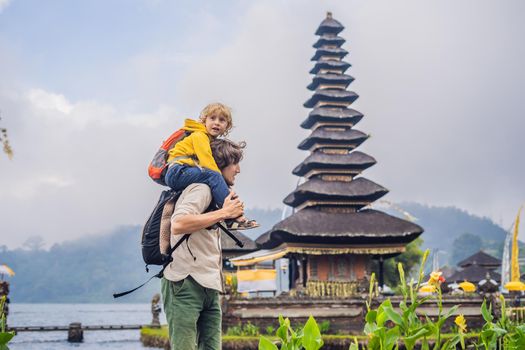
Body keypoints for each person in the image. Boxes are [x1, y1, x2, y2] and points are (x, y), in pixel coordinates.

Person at [161, 138, 246, 350]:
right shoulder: (201, 188)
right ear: (220, 164)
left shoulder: (217, 196)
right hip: (185, 283)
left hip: (208, 285)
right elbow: (178, 223)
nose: (238, 170)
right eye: (234, 163)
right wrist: (225, 213)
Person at [164, 102, 257, 230]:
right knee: (212, 175)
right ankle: (234, 215)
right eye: (212, 118)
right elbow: (207, 161)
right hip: (178, 171)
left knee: (212, 177)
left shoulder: (206, 138)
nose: (217, 122)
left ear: (227, 126)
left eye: (222, 120)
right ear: (204, 121)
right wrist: (223, 186)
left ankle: (228, 216)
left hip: (180, 171)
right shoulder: (199, 136)